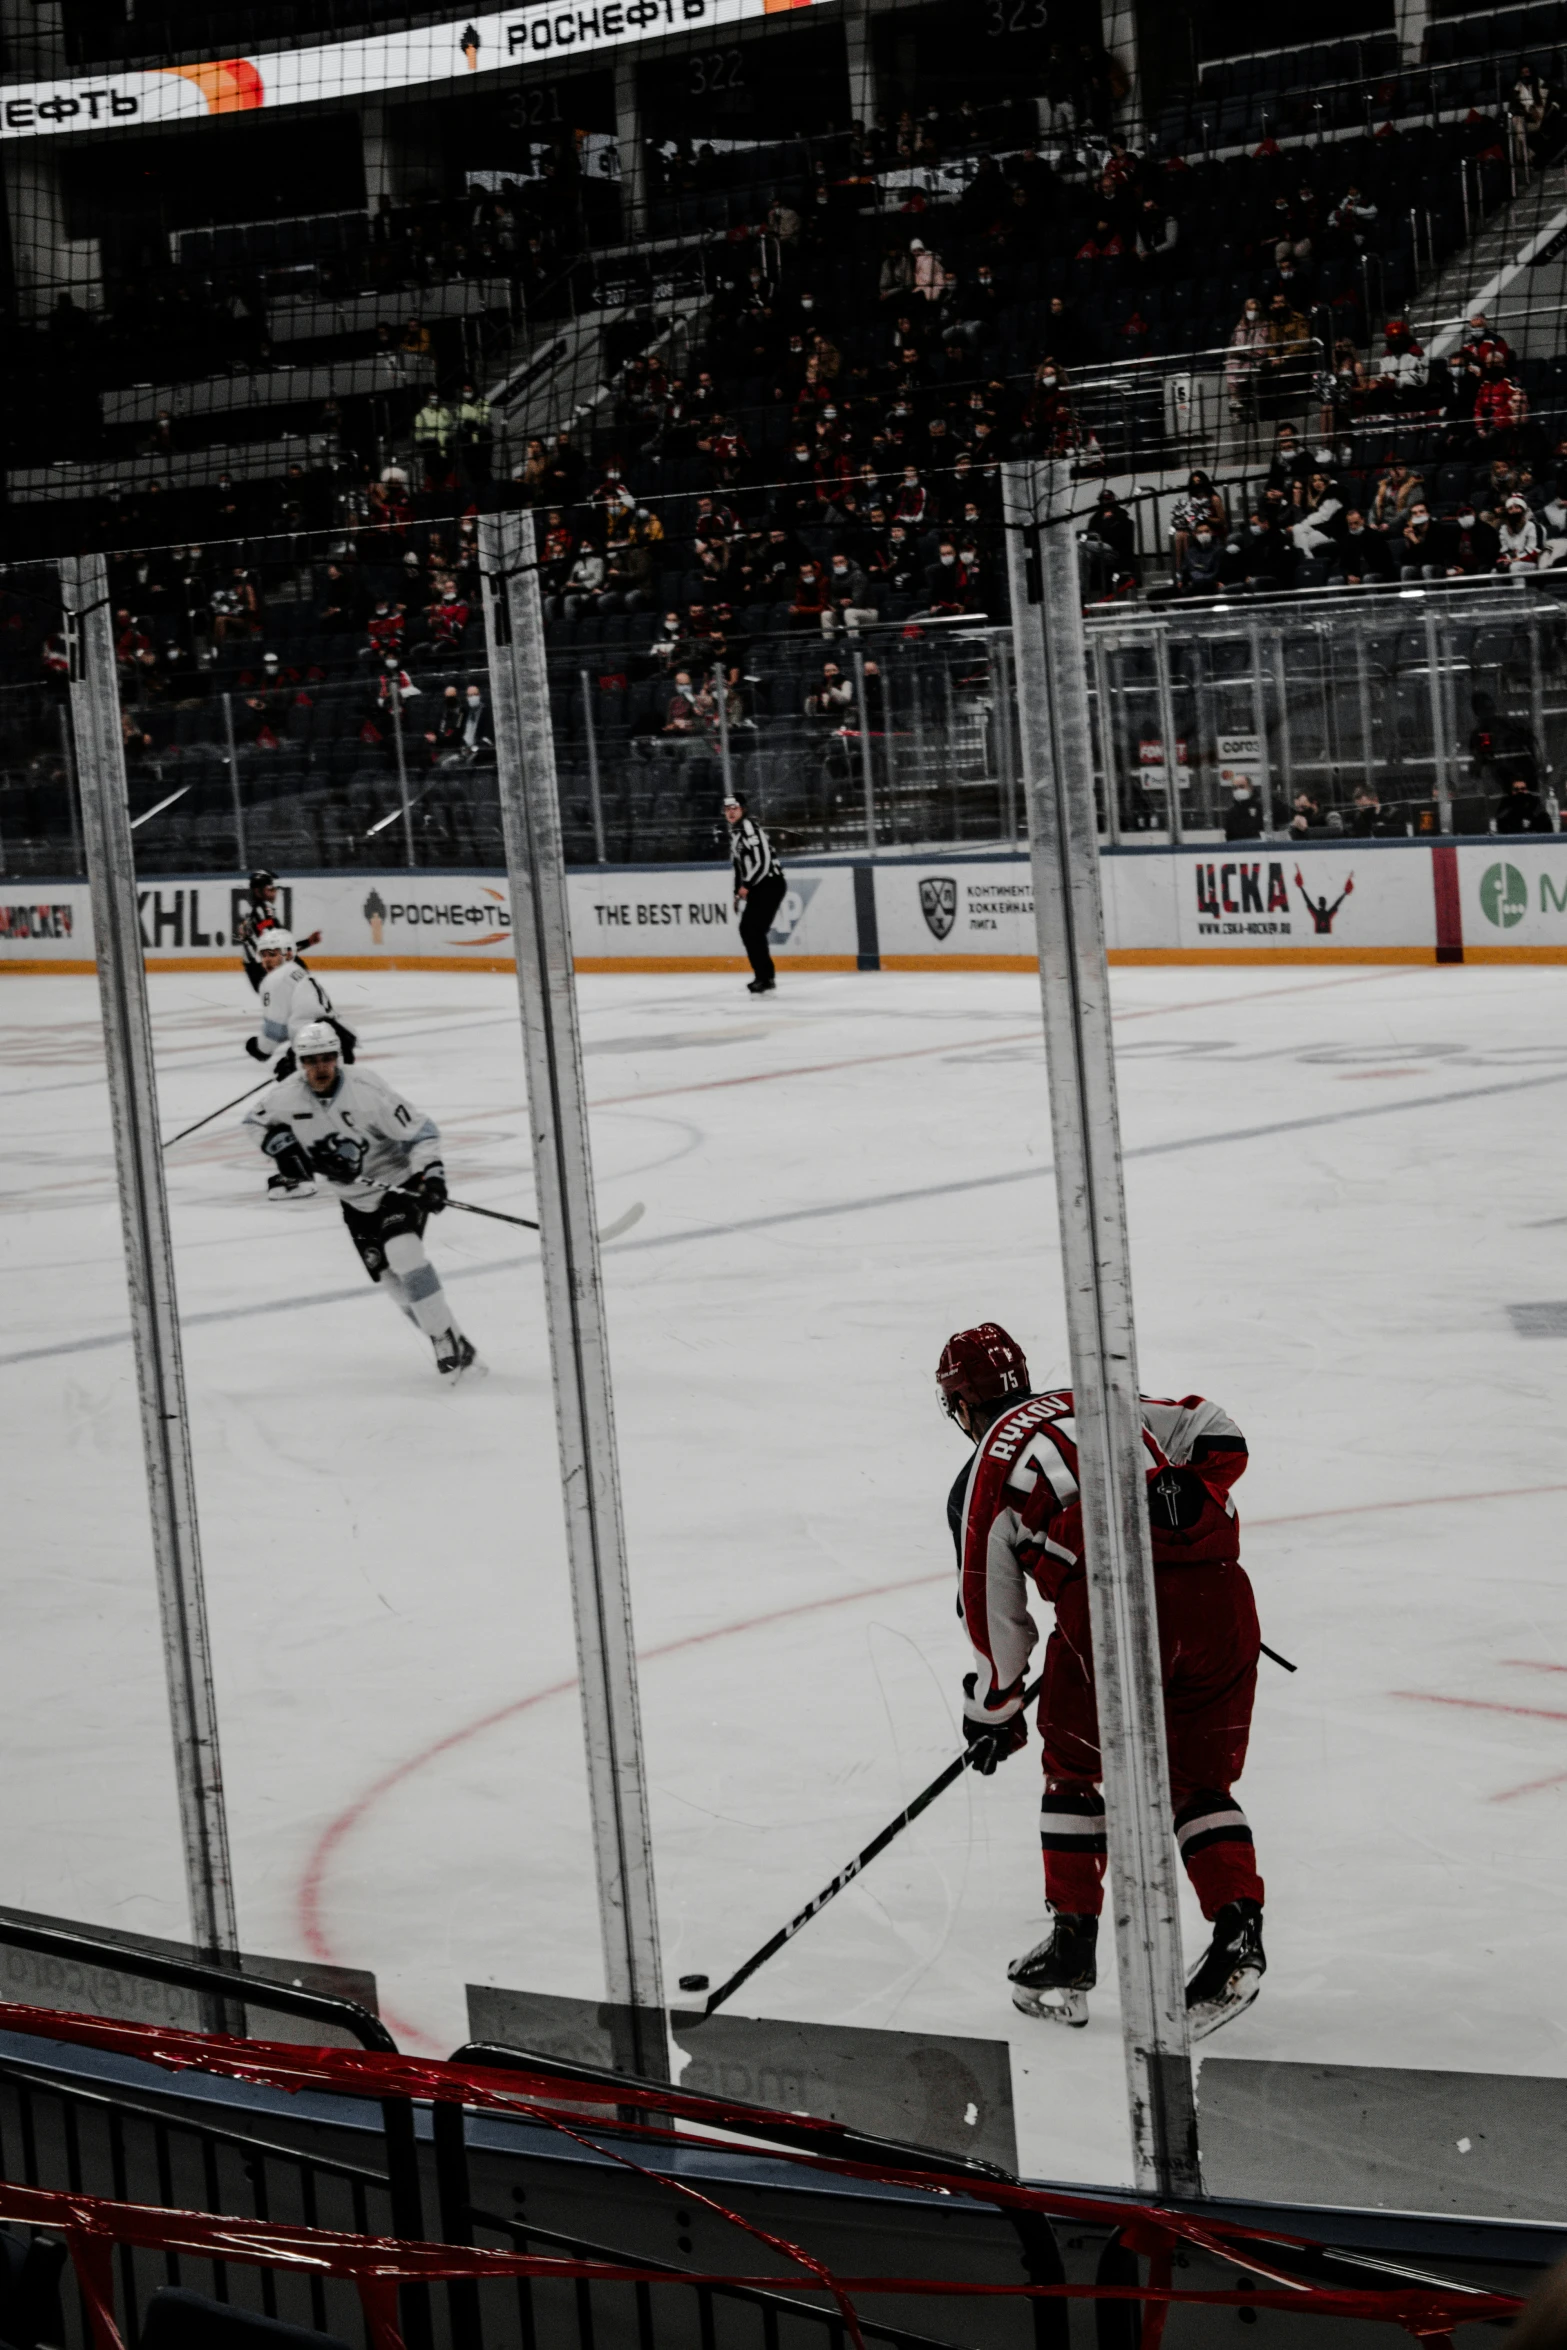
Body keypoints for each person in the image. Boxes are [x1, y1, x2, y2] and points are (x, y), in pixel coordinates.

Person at [937, 1323, 1265, 2035]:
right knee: (1199, 1783)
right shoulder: (1100, 1399)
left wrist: (994, 1710)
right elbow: (1219, 1432)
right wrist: (1182, 1497)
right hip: (1220, 1598)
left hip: (1112, 1613)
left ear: (960, 1404)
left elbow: (994, 1614)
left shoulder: (983, 1474)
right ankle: (1238, 1934)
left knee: (1073, 1768)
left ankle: (1072, 1947)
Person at [242, 1022, 479, 1381]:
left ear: (337, 1057)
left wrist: (431, 1176)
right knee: (393, 1284)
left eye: (326, 1058)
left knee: (403, 1252)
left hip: (397, 1186)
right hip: (354, 1201)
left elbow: (422, 1131)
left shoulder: (366, 1089)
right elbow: (254, 1123)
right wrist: (284, 1148)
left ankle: (441, 1337)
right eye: (310, 1060)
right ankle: (456, 1340)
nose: (319, 1067)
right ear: (300, 1061)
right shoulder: (285, 1097)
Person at [244, 932, 356, 1102]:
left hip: (317, 1049)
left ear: (289, 953)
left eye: (273, 954)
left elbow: (272, 1036)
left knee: (302, 1107)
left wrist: (257, 1049)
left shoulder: (275, 980)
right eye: (263, 955)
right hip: (335, 1043)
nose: (266, 960)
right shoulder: (297, 971)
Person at [724, 791, 787, 995]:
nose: (730, 812)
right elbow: (738, 866)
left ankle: (765, 977)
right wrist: (738, 891)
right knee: (750, 930)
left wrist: (747, 885)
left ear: (742, 809)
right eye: (727, 809)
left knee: (751, 930)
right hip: (761, 885)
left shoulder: (749, 827)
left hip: (769, 884)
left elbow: (762, 860)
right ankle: (764, 977)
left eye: (734, 808)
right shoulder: (737, 832)